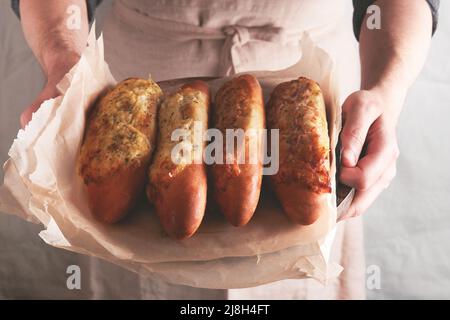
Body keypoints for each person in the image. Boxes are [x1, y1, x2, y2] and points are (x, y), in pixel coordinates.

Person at [11, 0, 439, 299]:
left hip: (310, 76)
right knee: (139, 247)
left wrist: (386, 89)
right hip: (141, 69)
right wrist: (65, 66)